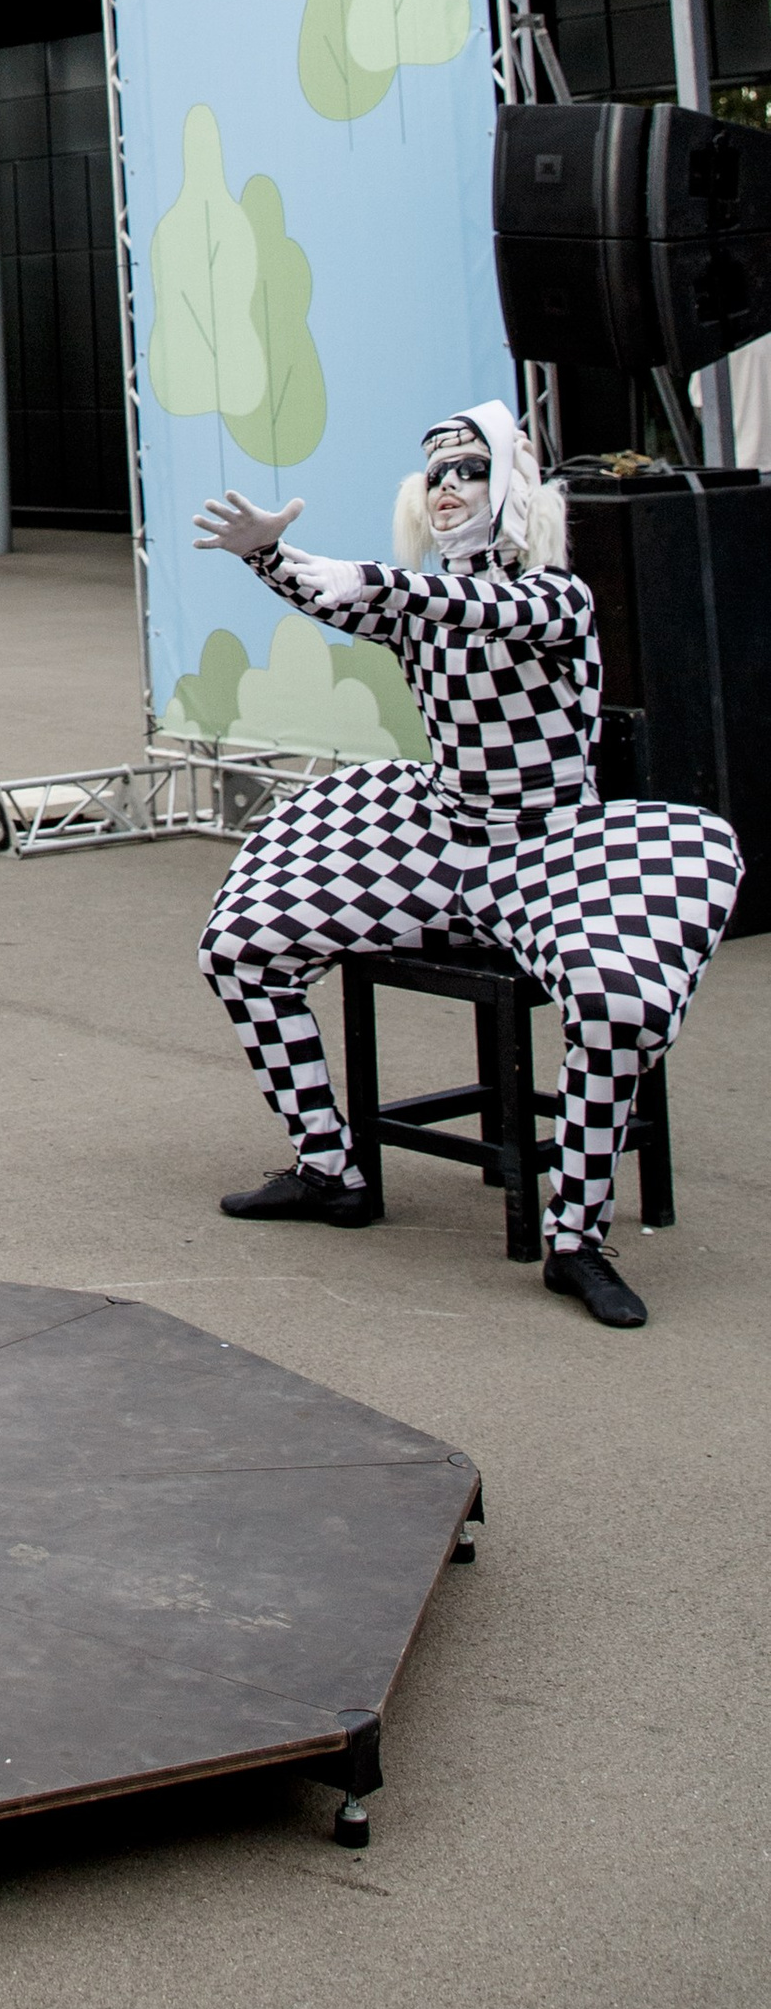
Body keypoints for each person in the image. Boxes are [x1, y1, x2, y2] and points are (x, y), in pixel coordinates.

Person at [194, 402, 746, 1331]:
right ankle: (330, 1169)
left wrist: (380, 583)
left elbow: (467, 604)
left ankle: (575, 1238)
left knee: (614, 1005)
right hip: (439, 840)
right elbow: (354, 599)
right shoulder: (422, 608)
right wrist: (266, 554)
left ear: (511, 490)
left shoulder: (553, 598)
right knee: (237, 946)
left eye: (470, 472)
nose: (449, 489)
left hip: (551, 853)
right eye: (437, 475)